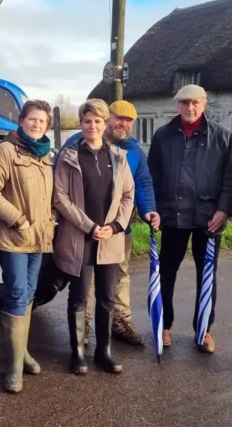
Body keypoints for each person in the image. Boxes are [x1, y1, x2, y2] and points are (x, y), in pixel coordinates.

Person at [59, 100, 159, 347]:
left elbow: (141, 185)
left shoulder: (133, 152)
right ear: (108, 119)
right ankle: (84, 330)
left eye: (129, 120)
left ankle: (120, 322)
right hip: (81, 231)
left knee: (119, 277)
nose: (123, 124)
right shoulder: (74, 146)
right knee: (86, 283)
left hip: (117, 231)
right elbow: (59, 189)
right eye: (119, 118)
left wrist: (148, 211)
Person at [147, 84, 232, 353]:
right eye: (184, 102)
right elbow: (152, 175)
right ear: (178, 105)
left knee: (207, 275)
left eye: (195, 102)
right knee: (166, 273)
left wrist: (224, 210)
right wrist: (153, 209)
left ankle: (204, 329)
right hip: (171, 216)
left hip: (208, 219)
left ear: (204, 104)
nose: (189, 107)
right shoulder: (163, 135)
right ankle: (164, 325)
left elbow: (231, 177)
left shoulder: (222, 136)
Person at [53, 99, 135, 375]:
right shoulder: (69, 156)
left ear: (105, 123)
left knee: (107, 296)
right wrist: (89, 226)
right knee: (79, 297)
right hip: (81, 238)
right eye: (87, 121)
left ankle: (104, 351)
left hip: (110, 238)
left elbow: (128, 194)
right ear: (81, 123)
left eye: (98, 121)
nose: (92, 126)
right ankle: (77, 352)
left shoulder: (118, 157)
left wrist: (116, 226)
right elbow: (60, 197)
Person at [0, 99, 55, 393]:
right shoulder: (6, 151)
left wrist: (52, 218)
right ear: (21, 121)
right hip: (12, 237)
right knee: (16, 292)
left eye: (42, 121)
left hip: (38, 238)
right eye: (32, 119)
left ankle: (22, 352)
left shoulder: (46, 157)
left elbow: (50, 196)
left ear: (47, 126)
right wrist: (17, 219)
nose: (36, 124)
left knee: (30, 292)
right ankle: (13, 368)